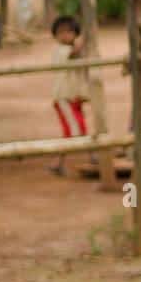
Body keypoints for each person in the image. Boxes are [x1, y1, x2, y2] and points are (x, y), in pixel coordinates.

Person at [49, 15, 90, 176]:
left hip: (75, 98)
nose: (64, 36)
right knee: (75, 129)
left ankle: (59, 162)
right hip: (64, 98)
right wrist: (89, 34)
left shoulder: (75, 50)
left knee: (76, 129)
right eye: (61, 33)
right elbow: (74, 53)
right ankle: (92, 155)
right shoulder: (61, 50)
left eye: (68, 32)